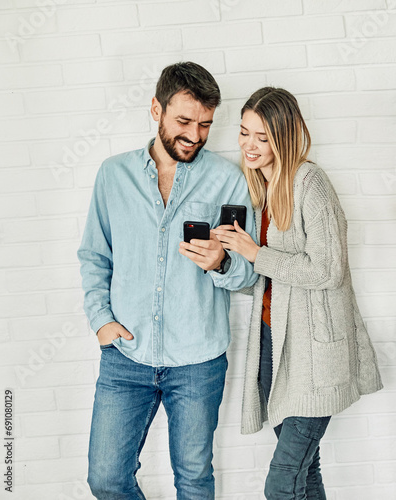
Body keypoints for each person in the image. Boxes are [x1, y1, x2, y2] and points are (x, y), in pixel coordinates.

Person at [77, 61, 258, 499]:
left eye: (205, 125)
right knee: (105, 478)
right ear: (156, 109)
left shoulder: (226, 180)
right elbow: (94, 256)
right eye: (183, 121)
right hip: (126, 355)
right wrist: (101, 319)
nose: (194, 135)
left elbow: (248, 276)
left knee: (194, 480)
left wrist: (220, 263)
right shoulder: (113, 175)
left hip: (198, 359)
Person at [212, 87, 383, 499]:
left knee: (282, 481)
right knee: (305, 471)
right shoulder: (259, 191)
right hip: (275, 343)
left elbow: (327, 270)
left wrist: (256, 252)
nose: (249, 145)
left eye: (263, 137)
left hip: (315, 352)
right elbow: (265, 279)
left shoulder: (310, 183)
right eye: (244, 132)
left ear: (283, 138)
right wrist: (221, 260)